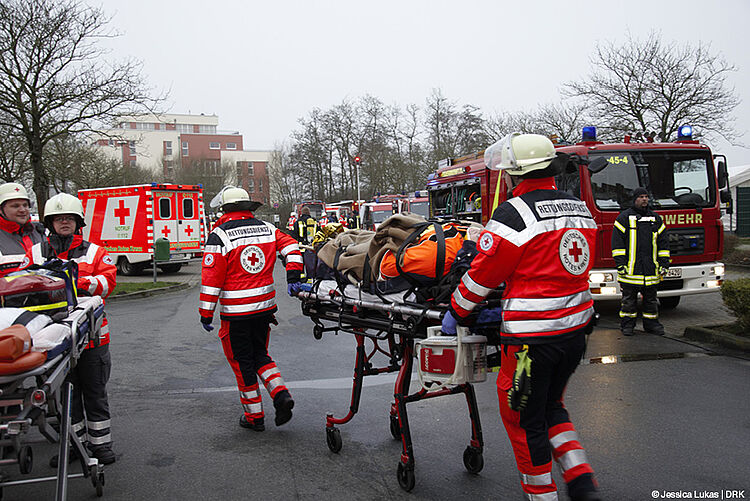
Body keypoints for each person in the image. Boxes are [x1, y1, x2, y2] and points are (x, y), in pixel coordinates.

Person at [443, 133, 600, 501]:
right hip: (575, 331)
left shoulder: (514, 214)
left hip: (532, 341)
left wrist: (456, 312)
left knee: (522, 420)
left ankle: (542, 495)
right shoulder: (579, 208)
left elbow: (482, 277)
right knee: (551, 406)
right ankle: (580, 478)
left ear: (513, 173)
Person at [199, 187, 303, 431]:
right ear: (248, 207)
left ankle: (254, 417)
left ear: (224, 209)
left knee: (242, 362)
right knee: (260, 355)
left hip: (236, 314)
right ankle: (280, 394)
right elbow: (292, 247)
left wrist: (206, 313)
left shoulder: (219, 235)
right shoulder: (267, 228)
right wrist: (293, 275)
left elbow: (212, 279)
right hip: (264, 309)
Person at [41, 193, 118, 466]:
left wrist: (74, 281)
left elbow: (108, 283)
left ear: (78, 222)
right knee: (67, 396)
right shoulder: (37, 253)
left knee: (95, 392)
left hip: (93, 337)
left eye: (69, 218)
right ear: (50, 223)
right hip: (55, 340)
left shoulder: (94, 251)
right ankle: (75, 445)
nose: (64, 222)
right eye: (58, 219)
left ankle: (101, 445)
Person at [611, 187, 670, 336]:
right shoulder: (623, 218)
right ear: (635, 199)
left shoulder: (656, 219)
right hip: (630, 271)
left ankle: (652, 325)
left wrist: (664, 264)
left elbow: (663, 244)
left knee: (651, 301)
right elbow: (617, 245)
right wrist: (620, 264)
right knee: (628, 302)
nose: (644, 199)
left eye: (646, 197)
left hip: (650, 270)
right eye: (641, 197)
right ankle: (627, 326)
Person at [0, 182, 45, 276]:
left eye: (25, 205)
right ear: (1, 210)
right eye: (15, 206)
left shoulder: (40, 232)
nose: (22, 210)